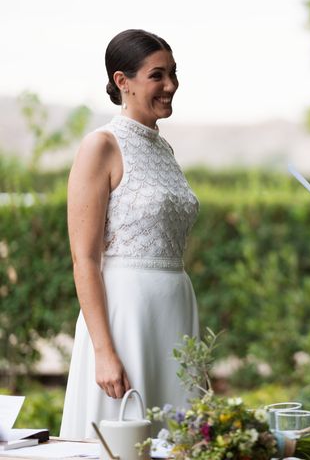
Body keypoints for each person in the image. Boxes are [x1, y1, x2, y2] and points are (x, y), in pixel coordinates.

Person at [60, 29, 200, 439]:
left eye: (173, 74)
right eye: (158, 75)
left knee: (178, 438)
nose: (170, 86)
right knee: (123, 437)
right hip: (124, 316)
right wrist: (104, 353)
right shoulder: (100, 145)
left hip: (175, 308)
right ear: (123, 81)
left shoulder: (164, 149)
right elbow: (84, 258)